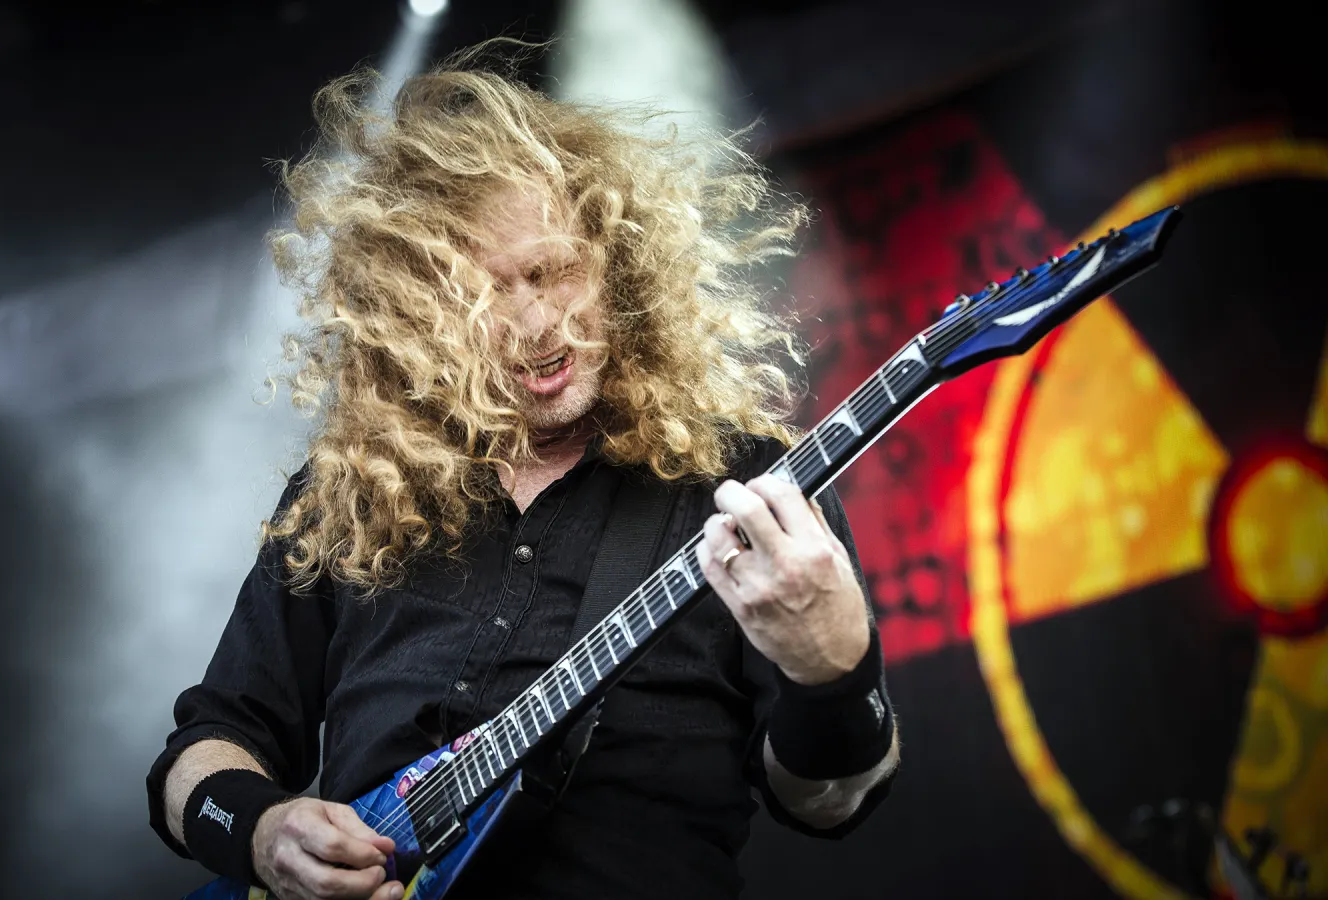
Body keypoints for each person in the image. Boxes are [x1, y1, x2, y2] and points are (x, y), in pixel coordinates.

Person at [147, 44, 900, 900]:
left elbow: (826, 803)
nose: (535, 324)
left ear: (615, 263)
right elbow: (201, 753)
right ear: (412, 320)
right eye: (481, 296)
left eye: (552, 272)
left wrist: (833, 673)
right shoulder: (349, 492)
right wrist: (259, 830)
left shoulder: (744, 489)